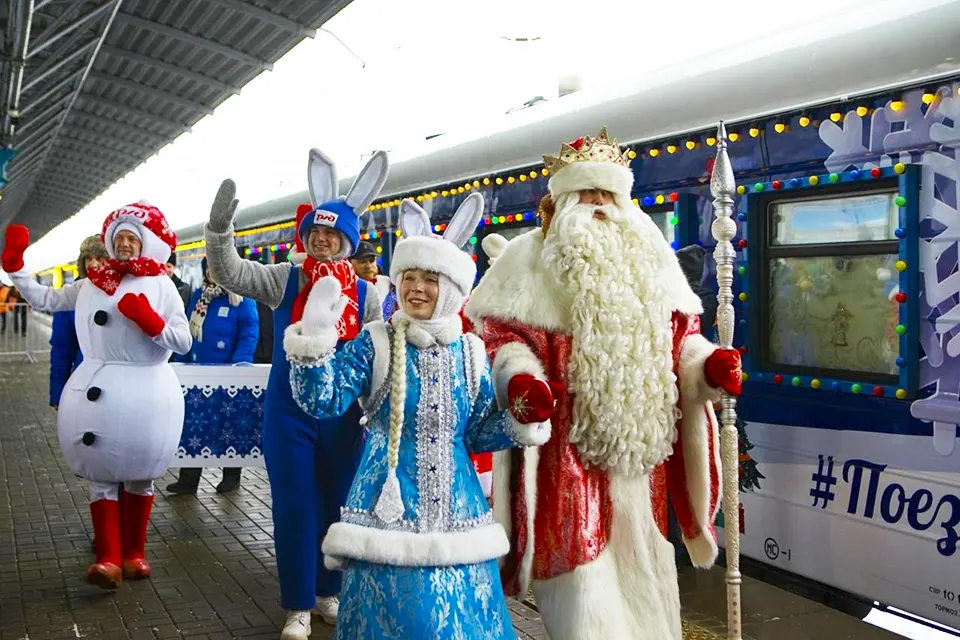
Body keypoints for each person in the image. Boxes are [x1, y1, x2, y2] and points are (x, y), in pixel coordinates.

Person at [464, 127, 743, 640]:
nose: (598, 204)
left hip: (640, 462)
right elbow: (501, 338)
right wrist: (521, 379)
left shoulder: (649, 250)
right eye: (587, 194)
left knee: (647, 588)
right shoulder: (528, 258)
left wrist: (708, 368)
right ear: (563, 199)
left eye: (608, 195)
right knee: (582, 597)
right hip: (566, 458)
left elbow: (682, 336)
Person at [284, 192, 547, 639]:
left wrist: (520, 420)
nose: (416, 288)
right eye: (408, 277)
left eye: (430, 279)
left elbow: (478, 432)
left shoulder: (471, 351)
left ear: (452, 289)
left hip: (457, 510)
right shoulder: (377, 341)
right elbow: (322, 401)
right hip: (386, 508)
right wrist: (313, 339)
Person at [203, 148, 386, 639]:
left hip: (344, 417)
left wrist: (375, 406)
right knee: (293, 504)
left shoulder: (368, 296)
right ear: (305, 238)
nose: (322, 242)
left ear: (348, 243)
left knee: (338, 505)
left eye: (332, 235)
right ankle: (298, 605)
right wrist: (220, 233)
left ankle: (329, 592)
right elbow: (231, 272)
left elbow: (378, 356)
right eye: (315, 234)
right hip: (288, 414)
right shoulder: (285, 279)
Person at [1, 201, 192, 590]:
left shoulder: (162, 286)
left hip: (147, 395)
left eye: (131, 239)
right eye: (119, 238)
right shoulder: (93, 282)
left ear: (143, 245)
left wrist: (151, 322)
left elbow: (183, 340)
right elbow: (46, 299)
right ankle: (107, 558)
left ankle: (134, 554)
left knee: (141, 478)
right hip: (97, 391)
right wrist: (16, 267)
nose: (125, 245)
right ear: (109, 242)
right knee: (100, 479)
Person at [167, 257, 260, 495]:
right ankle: (188, 478)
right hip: (197, 374)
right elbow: (187, 331)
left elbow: (249, 332)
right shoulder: (200, 296)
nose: (213, 271)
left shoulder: (241, 298)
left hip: (228, 375)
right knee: (194, 426)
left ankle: (231, 476)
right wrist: (181, 362)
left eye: (218, 267)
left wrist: (239, 366)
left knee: (228, 425)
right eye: (209, 268)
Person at [50, 236, 110, 410]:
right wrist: (58, 393)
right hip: (84, 383)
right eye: (88, 259)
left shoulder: (125, 292)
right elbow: (62, 349)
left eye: (100, 258)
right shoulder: (70, 298)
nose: (93, 264)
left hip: (118, 384)